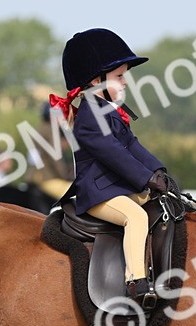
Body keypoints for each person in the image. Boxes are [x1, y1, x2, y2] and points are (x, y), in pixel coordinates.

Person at [55, 28, 176, 305]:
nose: (125, 82)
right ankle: (136, 281)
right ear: (96, 80)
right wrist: (146, 178)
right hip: (98, 194)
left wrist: (159, 173)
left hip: (115, 189)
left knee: (163, 205)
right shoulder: (88, 116)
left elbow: (132, 145)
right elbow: (113, 154)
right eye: (119, 76)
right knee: (136, 217)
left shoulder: (109, 112)